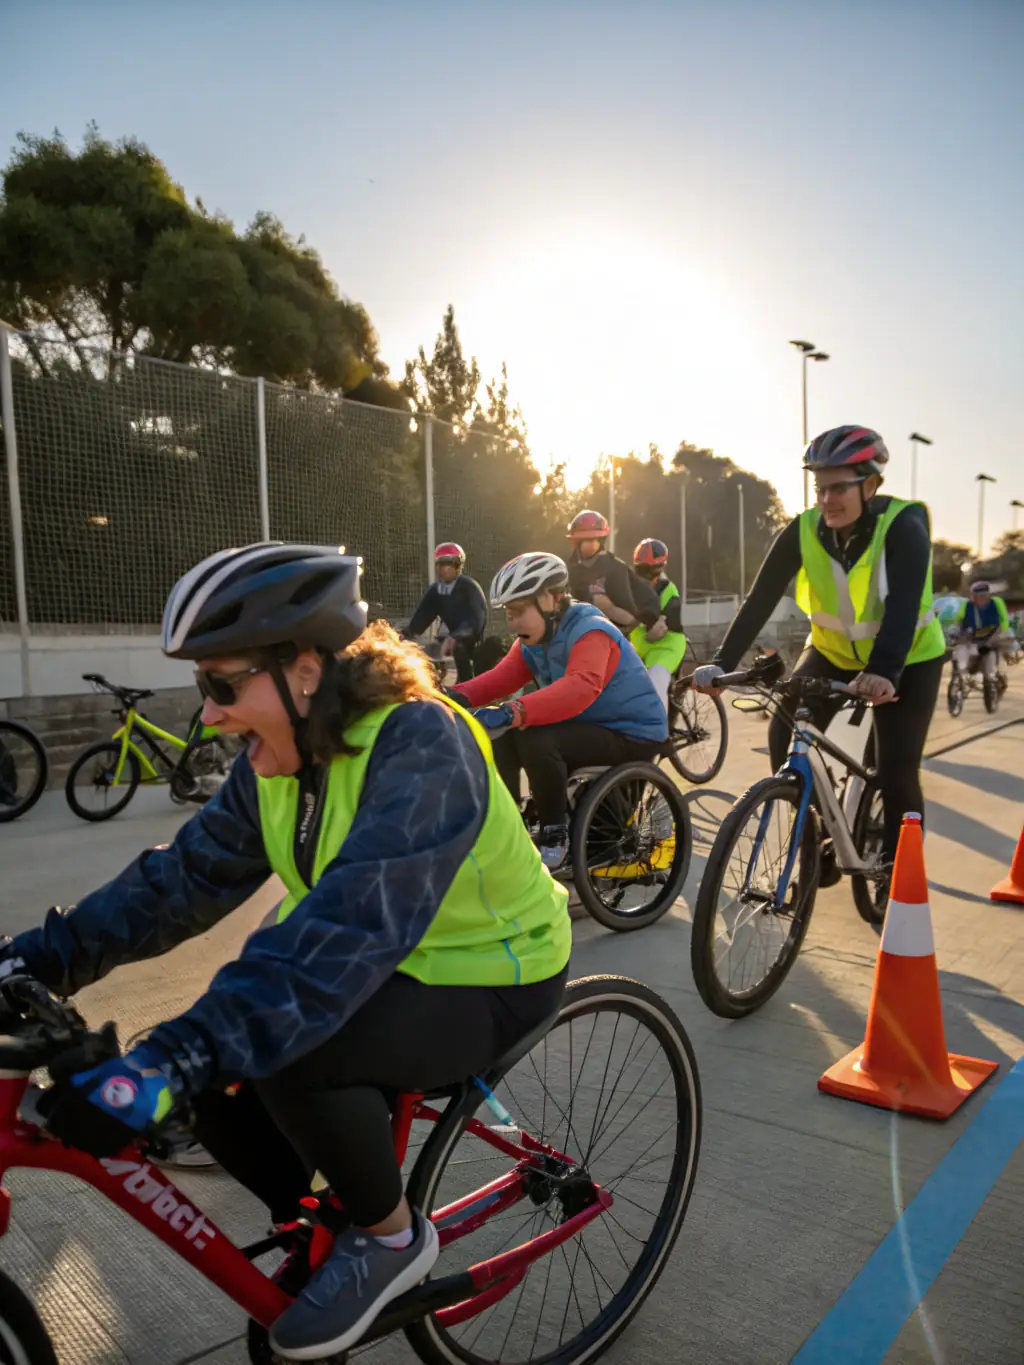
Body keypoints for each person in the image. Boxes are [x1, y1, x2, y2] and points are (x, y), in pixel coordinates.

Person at [0, 542, 571, 1361]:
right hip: (379, 957)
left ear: (305, 671)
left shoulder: (421, 742)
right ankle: (317, 1218)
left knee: (289, 1052)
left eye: (221, 685)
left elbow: (347, 928)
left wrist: (173, 1058)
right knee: (221, 1067)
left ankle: (387, 1235)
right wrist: (37, 957)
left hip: (492, 967)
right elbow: (179, 882)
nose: (209, 714)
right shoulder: (277, 757)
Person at [693, 426, 946, 891]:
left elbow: (904, 606)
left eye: (839, 488)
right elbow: (761, 598)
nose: (827, 500)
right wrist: (722, 662)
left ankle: (897, 877)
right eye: (820, 488)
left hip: (907, 659)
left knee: (895, 769)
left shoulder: (903, 527)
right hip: (831, 651)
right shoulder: (804, 530)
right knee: (783, 734)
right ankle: (819, 833)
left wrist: (884, 671)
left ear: (871, 485)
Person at [451, 551, 667, 869]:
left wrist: (514, 710)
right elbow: (497, 679)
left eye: (518, 611)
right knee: (500, 735)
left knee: (535, 737)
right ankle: (508, 824)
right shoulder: (535, 639)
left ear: (550, 599)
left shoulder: (591, 630)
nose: (512, 621)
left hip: (633, 733)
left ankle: (555, 834)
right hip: (591, 727)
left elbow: (580, 687)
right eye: (508, 613)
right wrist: (446, 695)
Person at [565, 510, 662, 634]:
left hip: (624, 635)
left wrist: (606, 608)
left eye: (588, 541)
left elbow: (632, 617)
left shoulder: (615, 569)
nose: (576, 547)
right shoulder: (575, 570)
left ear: (599, 542)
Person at [404, 541, 488, 682]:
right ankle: (435, 680)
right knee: (428, 651)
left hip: (470, 638)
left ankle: (466, 682)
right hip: (449, 636)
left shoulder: (468, 586)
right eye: (440, 565)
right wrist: (407, 633)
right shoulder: (436, 589)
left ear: (458, 567)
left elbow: (477, 619)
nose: (443, 570)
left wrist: (456, 636)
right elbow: (424, 614)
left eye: (448, 566)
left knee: (459, 647)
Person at [630, 538, 688, 712]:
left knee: (655, 685)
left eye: (651, 569)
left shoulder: (669, 592)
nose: (646, 575)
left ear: (661, 567)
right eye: (641, 570)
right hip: (639, 648)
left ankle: (659, 728)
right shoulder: (629, 586)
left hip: (666, 647)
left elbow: (657, 633)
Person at [952, 580, 1015, 683]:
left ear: (988, 595)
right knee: (966, 651)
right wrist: (956, 630)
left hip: (994, 632)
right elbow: (959, 619)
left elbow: (1004, 619)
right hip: (975, 634)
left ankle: (998, 672)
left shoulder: (996, 602)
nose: (981, 598)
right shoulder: (967, 605)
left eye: (983, 595)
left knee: (996, 649)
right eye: (977, 596)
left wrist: (1002, 632)